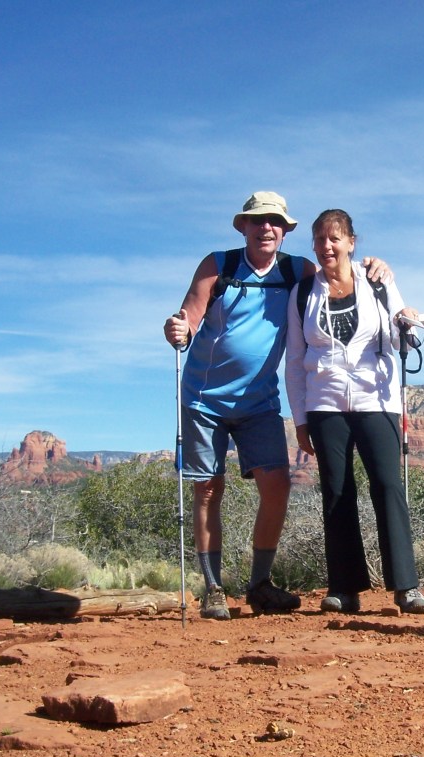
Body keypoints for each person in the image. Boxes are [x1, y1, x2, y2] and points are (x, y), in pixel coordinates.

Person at [163, 192, 390, 621]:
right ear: (244, 228)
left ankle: (259, 584)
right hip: (203, 399)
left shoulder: (295, 271)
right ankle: (213, 588)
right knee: (208, 489)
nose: (266, 228)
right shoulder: (218, 266)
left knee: (277, 486)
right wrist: (178, 329)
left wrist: (375, 268)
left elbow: (339, 271)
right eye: (257, 221)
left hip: (260, 402)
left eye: (275, 222)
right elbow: (189, 316)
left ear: (285, 231)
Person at [284, 209, 424, 615]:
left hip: (376, 400)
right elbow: (294, 362)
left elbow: (404, 334)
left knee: (387, 485)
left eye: (334, 238)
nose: (326, 246)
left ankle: (406, 586)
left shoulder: (378, 281)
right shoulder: (302, 294)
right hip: (324, 403)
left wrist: (409, 322)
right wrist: (300, 420)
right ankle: (344, 588)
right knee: (336, 491)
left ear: (351, 242)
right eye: (319, 239)